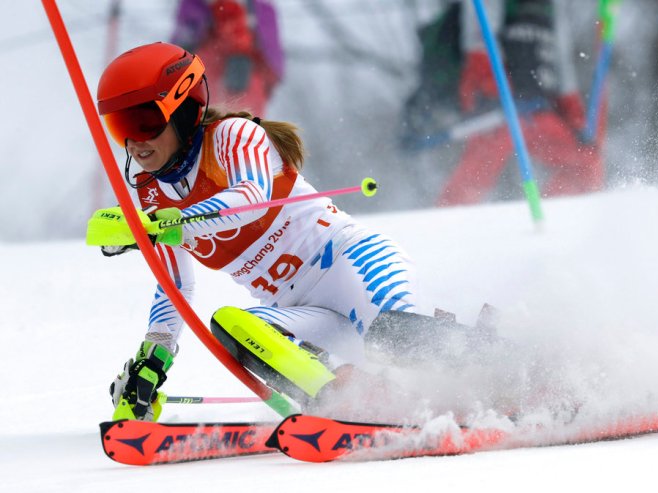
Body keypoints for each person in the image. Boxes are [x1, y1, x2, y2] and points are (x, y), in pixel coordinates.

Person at [89, 42, 419, 421]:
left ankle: (495, 369)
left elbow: (251, 198)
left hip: (349, 265)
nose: (134, 141)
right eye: (120, 128)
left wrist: (171, 224)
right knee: (233, 327)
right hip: (297, 312)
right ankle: (344, 401)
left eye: (144, 122)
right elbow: (174, 287)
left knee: (402, 343)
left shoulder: (234, 136)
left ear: (182, 110)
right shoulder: (151, 194)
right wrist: (152, 361)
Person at [406, 0, 606, 205]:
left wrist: (570, 107)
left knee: (585, 162)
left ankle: (557, 221)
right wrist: (490, 85)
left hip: (536, 107)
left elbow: (561, 57)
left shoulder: (553, 6)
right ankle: (448, 219)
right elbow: (478, 37)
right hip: (493, 98)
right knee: (478, 170)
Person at [170, 0, 284, 116]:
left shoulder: (196, 8)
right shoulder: (261, 8)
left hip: (208, 88)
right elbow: (273, 63)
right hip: (245, 91)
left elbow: (181, 47)